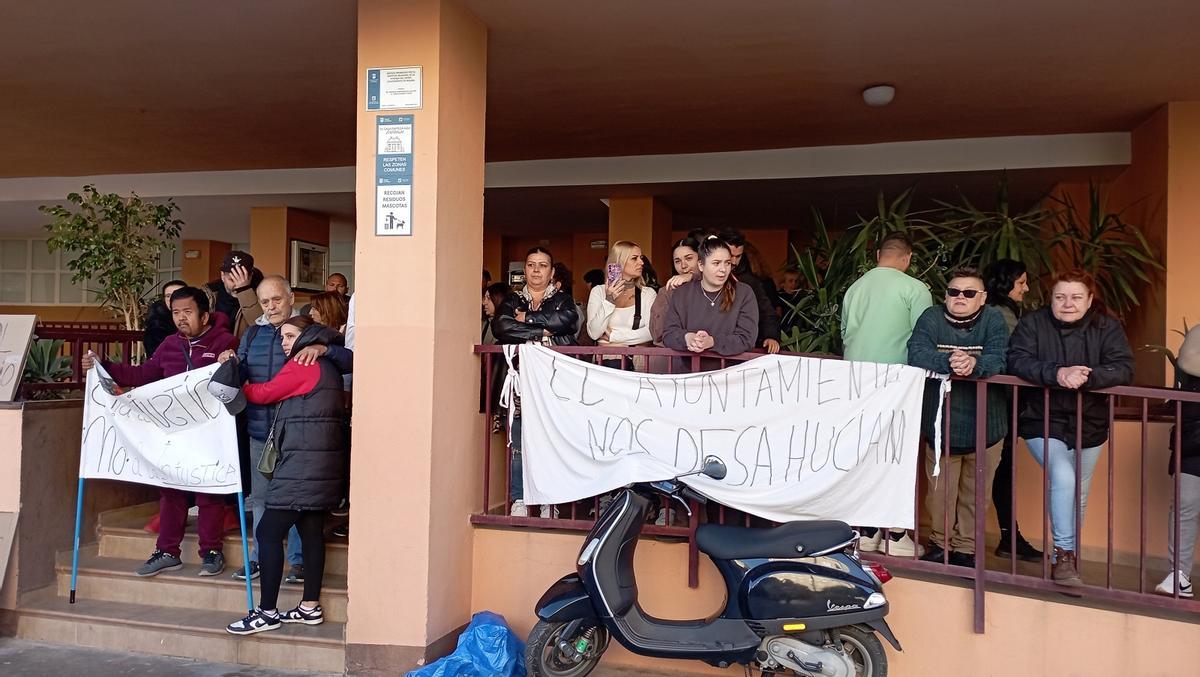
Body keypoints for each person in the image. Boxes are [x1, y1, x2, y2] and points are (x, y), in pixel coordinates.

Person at [82, 287, 238, 578]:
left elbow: (235, 382)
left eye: (187, 312)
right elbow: (143, 375)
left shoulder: (226, 342)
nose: (181, 318)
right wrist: (103, 366)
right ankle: (167, 552)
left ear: (205, 316)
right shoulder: (169, 344)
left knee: (209, 494)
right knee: (171, 492)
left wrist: (230, 363)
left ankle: (211, 552)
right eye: (176, 313)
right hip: (173, 434)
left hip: (209, 434)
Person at [218, 275, 353, 584]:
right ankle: (258, 559)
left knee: (297, 500)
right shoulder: (253, 333)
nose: (271, 307)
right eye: (264, 302)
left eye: (276, 299)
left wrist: (323, 348)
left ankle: (298, 561)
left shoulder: (310, 330)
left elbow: (348, 359)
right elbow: (243, 368)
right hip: (259, 430)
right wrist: (230, 361)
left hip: (296, 434)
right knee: (261, 499)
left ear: (291, 298)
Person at [1007, 269, 1134, 587]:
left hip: (1089, 420)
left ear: (1090, 299)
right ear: (1050, 298)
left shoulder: (1107, 326)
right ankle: (1064, 555)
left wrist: (1087, 377)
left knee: (1078, 492)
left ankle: (1066, 558)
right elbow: (1017, 360)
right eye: (1060, 297)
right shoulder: (1033, 324)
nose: (1067, 303)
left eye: (1076, 297)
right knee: (1064, 477)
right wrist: (1058, 373)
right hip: (1042, 417)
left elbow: (1124, 367)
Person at [907, 268, 1009, 568]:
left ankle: (967, 549)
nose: (960, 297)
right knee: (939, 494)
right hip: (940, 427)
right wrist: (949, 361)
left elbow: (1000, 357)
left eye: (969, 293)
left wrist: (974, 364)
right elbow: (916, 352)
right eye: (954, 292)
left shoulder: (993, 319)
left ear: (983, 298)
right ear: (946, 295)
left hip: (987, 427)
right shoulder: (931, 317)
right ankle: (940, 545)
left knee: (976, 494)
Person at [842, 231, 932, 556]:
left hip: (856, 384)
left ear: (878, 255)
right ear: (908, 258)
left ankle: (866, 531)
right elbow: (924, 338)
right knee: (897, 457)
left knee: (866, 456)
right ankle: (895, 536)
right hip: (898, 385)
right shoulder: (915, 289)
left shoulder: (855, 288)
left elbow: (844, 333)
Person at [492, 247, 579, 518]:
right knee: (519, 444)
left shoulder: (563, 299)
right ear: (525, 270)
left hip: (554, 382)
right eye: (531, 265)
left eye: (542, 265)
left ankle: (548, 502)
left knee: (551, 443)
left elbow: (568, 321)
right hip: (521, 382)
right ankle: (519, 499)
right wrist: (543, 330)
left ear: (551, 272)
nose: (536, 270)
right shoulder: (512, 299)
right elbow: (501, 326)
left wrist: (527, 319)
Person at [983, 259, 1041, 562]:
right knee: (1000, 471)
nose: (1026, 288)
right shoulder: (1001, 315)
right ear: (1005, 284)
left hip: (1000, 404)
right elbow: (1014, 360)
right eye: (1021, 282)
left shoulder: (996, 312)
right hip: (1001, 405)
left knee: (1000, 471)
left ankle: (1008, 537)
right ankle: (1008, 538)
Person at [661, 237, 759, 358]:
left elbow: (747, 338)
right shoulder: (682, 293)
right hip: (689, 367)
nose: (723, 269)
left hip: (730, 368)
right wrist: (687, 338)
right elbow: (668, 334)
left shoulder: (744, 293)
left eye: (727, 263)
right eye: (716, 263)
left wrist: (712, 342)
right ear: (701, 265)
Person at [1158, 325, 1200, 598]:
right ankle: (1179, 575)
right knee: (1185, 505)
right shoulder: (1198, 333)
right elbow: (1189, 361)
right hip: (1194, 438)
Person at [587, 241, 657, 368]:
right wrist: (609, 300)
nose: (641, 262)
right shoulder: (598, 291)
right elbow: (594, 333)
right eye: (634, 258)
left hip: (637, 364)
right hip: (605, 364)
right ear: (619, 262)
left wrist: (614, 336)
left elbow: (652, 332)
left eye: (641, 258)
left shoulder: (647, 294)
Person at [719, 229, 782, 354]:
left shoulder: (749, 282)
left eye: (738, 256)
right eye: (730, 255)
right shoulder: (703, 275)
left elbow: (767, 311)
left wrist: (771, 336)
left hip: (740, 345)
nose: (734, 261)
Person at [650, 236, 701, 346]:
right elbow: (657, 334)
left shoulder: (714, 286)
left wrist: (694, 277)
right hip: (676, 351)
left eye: (689, 259)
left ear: (701, 259)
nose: (683, 266)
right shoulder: (667, 291)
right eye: (677, 261)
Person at [206, 250, 264, 337]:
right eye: (232, 279)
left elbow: (260, 327)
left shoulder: (262, 295)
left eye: (242, 279)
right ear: (222, 276)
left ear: (250, 276)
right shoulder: (208, 294)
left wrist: (244, 290)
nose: (237, 285)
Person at [143, 279, 186, 356]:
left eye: (178, 294)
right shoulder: (157, 320)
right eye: (168, 296)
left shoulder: (199, 315)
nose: (172, 299)